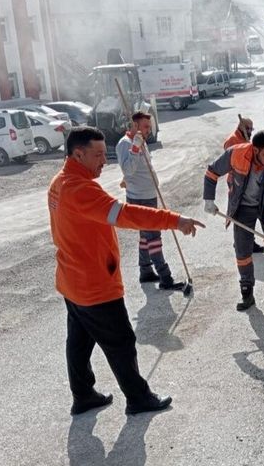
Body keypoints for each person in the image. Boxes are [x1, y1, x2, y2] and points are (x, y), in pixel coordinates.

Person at [49, 127, 204, 416]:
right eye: (98, 155)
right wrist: (174, 220)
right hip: (94, 284)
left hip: (72, 280)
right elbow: (125, 214)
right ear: (78, 154)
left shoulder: (60, 181)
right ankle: (138, 398)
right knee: (121, 341)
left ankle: (83, 395)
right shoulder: (79, 189)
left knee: (79, 341)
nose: (104, 161)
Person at [203, 129, 264, 311]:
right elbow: (211, 172)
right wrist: (208, 199)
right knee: (243, 252)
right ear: (255, 149)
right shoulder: (236, 153)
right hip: (242, 206)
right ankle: (247, 293)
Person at [116, 111, 184, 290]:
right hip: (139, 198)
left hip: (148, 195)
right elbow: (128, 170)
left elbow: (141, 169)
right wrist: (135, 148)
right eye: (145, 127)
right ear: (135, 125)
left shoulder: (141, 141)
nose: (149, 130)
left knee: (146, 236)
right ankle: (165, 277)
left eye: (149, 126)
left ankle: (145, 271)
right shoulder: (125, 144)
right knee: (153, 236)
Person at [223, 114, 264, 254]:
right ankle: (240, 242)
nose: (251, 132)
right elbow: (232, 162)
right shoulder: (232, 141)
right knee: (240, 213)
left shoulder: (245, 139)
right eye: (249, 129)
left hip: (247, 181)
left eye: (252, 130)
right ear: (243, 128)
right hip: (236, 182)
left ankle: (248, 241)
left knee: (248, 214)